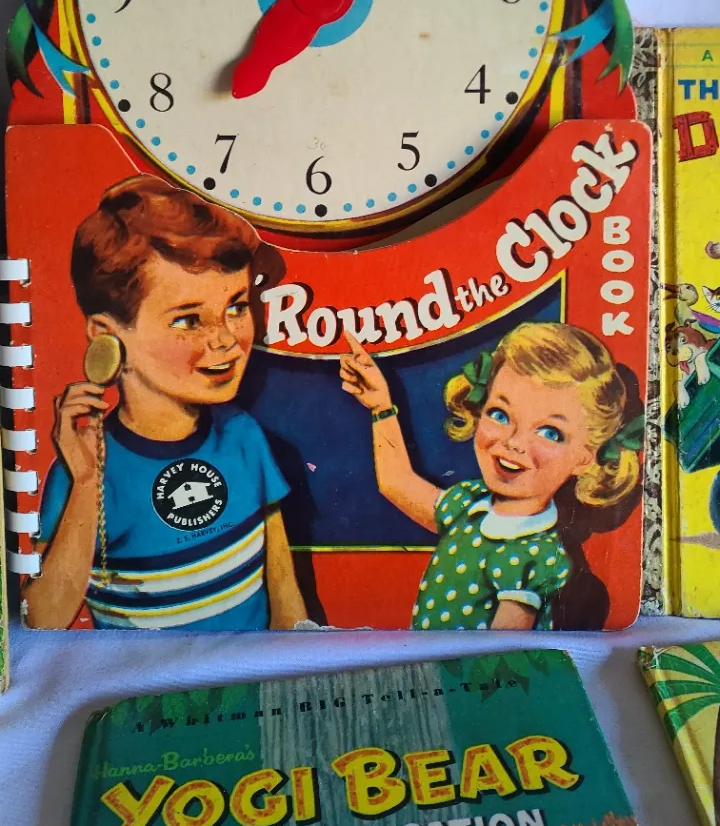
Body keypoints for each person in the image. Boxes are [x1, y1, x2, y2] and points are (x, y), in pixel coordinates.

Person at [24, 176, 307, 631]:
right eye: (189, 320)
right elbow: (42, 622)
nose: (226, 340)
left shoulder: (243, 436)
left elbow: (284, 594)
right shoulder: (82, 470)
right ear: (107, 336)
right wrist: (86, 483)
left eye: (236, 307)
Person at [339, 320, 641, 631]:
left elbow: (501, 651)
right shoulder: (468, 505)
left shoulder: (533, 556)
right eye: (500, 414)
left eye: (550, 432)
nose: (513, 443)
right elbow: (396, 482)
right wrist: (381, 406)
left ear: (584, 458)